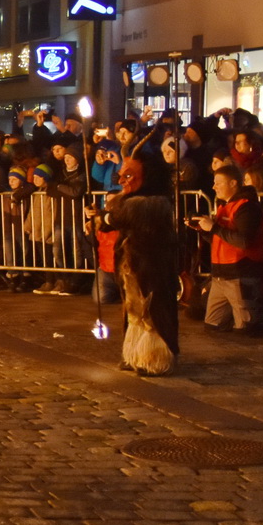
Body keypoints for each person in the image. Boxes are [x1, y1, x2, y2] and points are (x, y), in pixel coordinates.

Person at [99, 141, 180, 375]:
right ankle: (135, 354)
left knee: (152, 312)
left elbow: (117, 218)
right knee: (134, 311)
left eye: (129, 176)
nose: (123, 180)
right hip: (133, 265)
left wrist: (103, 219)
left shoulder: (150, 204)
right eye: (122, 175)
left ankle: (155, 359)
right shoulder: (128, 202)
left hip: (151, 267)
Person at [192, 163, 263, 334]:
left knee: (247, 329)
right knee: (212, 326)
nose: (214, 187)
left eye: (218, 183)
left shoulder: (246, 207)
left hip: (240, 272)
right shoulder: (223, 206)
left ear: (233, 183)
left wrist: (214, 228)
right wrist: (202, 230)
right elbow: (219, 238)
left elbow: (244, 241)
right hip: (221, 273)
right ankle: (242, 316)